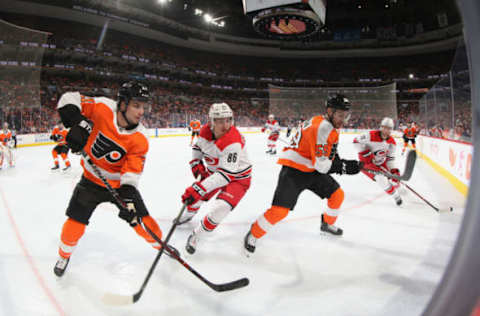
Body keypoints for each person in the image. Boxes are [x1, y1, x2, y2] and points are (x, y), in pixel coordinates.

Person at [53, 81, 170, 277]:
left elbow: (131, 173)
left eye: (144, 106)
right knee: (75, 222)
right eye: (136, 105)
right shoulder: (102, 106)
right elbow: (68, 98)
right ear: (122, 104)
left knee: (142, 221)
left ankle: (161, 246)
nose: (141, 111)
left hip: (119, 187)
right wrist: (77, 122)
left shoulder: (141, 137)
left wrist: (129, 199)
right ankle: (64, 255)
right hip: (90, 180)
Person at [244, 95, 363, 255]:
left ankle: (326, 224)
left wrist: (341, 162)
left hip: (311, 167)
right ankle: (254, 233)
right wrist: (344, 167)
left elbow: (329, 151)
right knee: (280, 211)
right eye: (340, 114)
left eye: (345, 115)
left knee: (337, 195)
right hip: (294, 170)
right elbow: (322, 165)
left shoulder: (328, 124)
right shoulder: (322, 127)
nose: (344, 119)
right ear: (330, 111)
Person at [179, 102, 252, 255]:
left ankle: (196, 236)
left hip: (238, 178)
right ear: (211, 121)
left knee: (220, 209)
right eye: (219, 120)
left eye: (228, 120)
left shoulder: (233, 141)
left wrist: (199, 187)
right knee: (196, 198)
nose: (225, 125)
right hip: (215, 173)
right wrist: (196, 162)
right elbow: (198, 147)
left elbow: (226, 175)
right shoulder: (204, 131)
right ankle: (188, 215)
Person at [353, 117, 402, 206]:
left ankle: (395, 185)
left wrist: (393, 170)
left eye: (389, 128)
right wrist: (364, 153)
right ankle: (396, 195)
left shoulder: (392, 143)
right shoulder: (370, 135)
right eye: (384, 127)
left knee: (393, 178)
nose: (386, 130)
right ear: (381, 127)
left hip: (381, 163)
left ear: (391, 130)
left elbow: (390, 159)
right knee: (381, 178)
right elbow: (355, 141)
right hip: (367, 163)